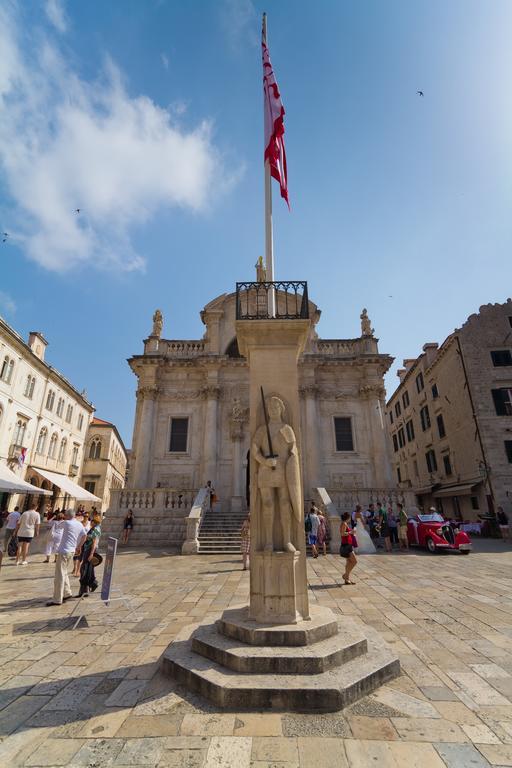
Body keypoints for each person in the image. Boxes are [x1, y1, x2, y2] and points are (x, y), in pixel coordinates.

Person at [46, 510, 86, 606]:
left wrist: (59, 517)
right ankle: (67, 593)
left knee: (59, 575)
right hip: (72, 551)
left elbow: (54, 524)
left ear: (67, 516)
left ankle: (57, 599)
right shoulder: (79, 524)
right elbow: (85, 536)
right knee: (64, 573)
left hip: (64, 551)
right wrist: (79, 546)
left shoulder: (66, 523)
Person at [78, 514, 102, 597]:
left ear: (94, 522)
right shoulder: (94, 528)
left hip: (90, 551)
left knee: (85, 568)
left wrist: (91, 553)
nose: (90, 522)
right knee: (88, 569)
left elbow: (94, 542)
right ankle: (91, 584)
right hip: (87, 550)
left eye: (91, 521)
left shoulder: (95, 529)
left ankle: (87, 586)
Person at [339, 512, 357, 584]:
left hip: (347, 544)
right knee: (354, 561)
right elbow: (342, 534)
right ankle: (345, 575)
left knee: (349, 562)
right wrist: (351, 532)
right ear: (348, 517)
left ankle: (347, 579)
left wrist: (351, 532)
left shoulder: (344, 523)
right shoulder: (344, 523)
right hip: (346, 545)